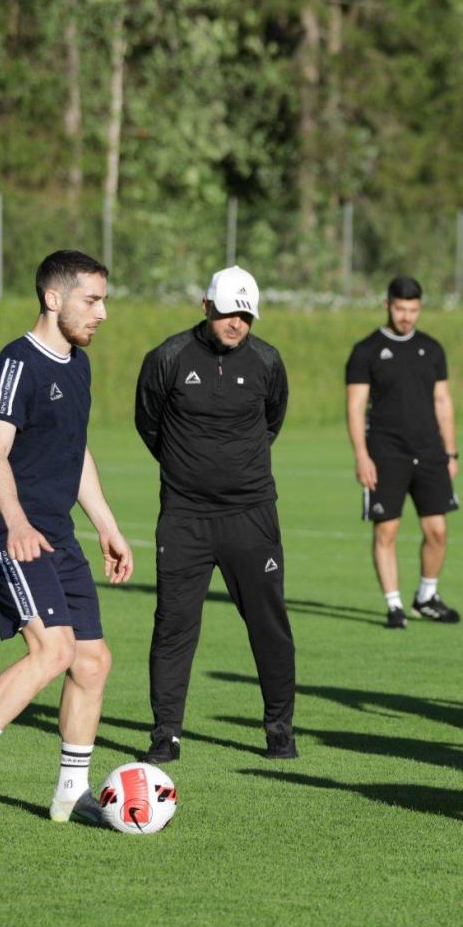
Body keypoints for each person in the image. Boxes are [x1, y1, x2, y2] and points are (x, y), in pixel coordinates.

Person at [0, 250, 133, 822]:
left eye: (104, 301)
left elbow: (75, 451)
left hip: (57, 534)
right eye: (92, 300)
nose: (102, 313)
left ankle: (71, 793)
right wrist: (17, 523)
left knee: (92, 661)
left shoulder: (78, 366)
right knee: (54, 649)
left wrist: (108, 525)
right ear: (53, 298)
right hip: (12, 531)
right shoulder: (17, 364)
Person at [134, 266, 295, 763]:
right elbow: (148, 423)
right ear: (206, 307)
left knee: (268, 624)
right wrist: (189, 469)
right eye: (227, 312)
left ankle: (279, 731)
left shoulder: (267, 361)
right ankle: (166, 734)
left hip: (251, 515)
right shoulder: (168, 358)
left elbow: (272, 421)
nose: (236, 323)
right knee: (174, 626)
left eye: (245, 315)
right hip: (185, 518)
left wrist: (235, 469)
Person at [344, 275, 461, 628]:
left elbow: (443, 401)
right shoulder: (365, 351)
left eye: (413, 310)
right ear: (387, 305)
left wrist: (451, 453)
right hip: (386, 453)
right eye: (400, 309)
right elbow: (355, 407)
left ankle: (426, 597)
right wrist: (361, 455)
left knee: (437, 530)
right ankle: (394, 606)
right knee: (387, 532)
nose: (406, 316)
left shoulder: (432, 348)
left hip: (430, 453)